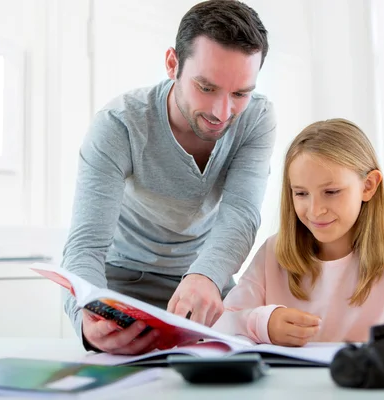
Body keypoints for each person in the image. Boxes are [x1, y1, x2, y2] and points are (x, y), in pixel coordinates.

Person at [61, 0, 276, 355]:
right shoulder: (119, 125)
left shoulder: (256, 117)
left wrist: (206, 277)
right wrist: (85, 317)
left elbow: (241, 215)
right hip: (122, 283)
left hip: (206, 281)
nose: (222, 114)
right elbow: (85, 245)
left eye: (239, 93)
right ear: (172, 64)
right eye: (206, 88)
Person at [212, 118, 384, 345]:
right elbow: (218, 327)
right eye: (301, 193)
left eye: (331, 192)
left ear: (368, 186)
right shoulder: (274, 253)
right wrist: (262, 324)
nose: (315, 209)